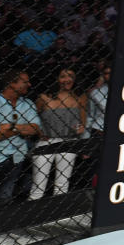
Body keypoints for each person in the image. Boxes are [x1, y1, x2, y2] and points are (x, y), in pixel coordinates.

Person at [29, 67, 86, 199]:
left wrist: (80, 130)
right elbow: (32, 118)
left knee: (62, 185)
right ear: (56, 79)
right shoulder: (44, 97)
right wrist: (38, 132)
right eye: (63, 76)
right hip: (46, 141)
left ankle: (57, 217)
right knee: (38, 186)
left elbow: (83, 122)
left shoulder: (80, 97)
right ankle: (32, 218)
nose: (67, 79)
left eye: (70, 75)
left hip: (69, 141)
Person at [0, 71, 41, 203]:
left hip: (16, 157)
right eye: (25, 81)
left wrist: (10, 127)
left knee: (4, 198)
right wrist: (22, 128)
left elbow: (35, 128)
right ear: (12, 84)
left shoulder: (28, 103)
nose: (29, 84)